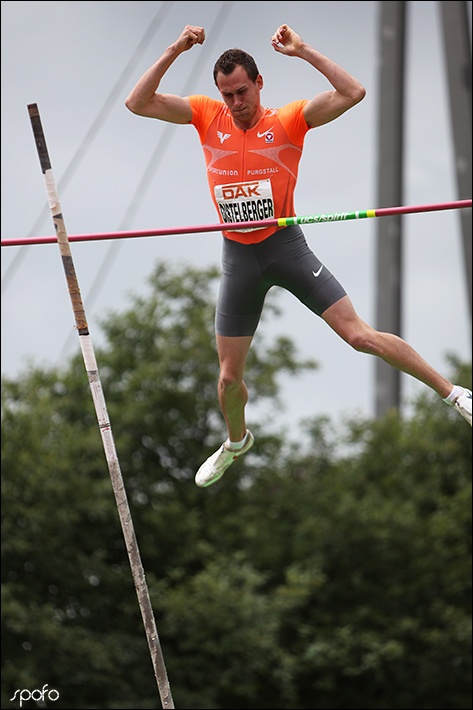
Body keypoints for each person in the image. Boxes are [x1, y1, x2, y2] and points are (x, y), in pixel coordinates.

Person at [126, 23, 472, 487]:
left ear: (259, 83)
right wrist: (176, 48)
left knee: (360, 336)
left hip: (284, 248)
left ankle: (454, 395)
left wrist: (304, 50)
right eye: (226, 94)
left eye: (242, 92)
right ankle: (236, 442)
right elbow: (137, 103)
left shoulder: (288, 120)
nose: (235, 103)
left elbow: (353, 91)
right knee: (228, 380)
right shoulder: (207, 115)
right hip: (239, 259)